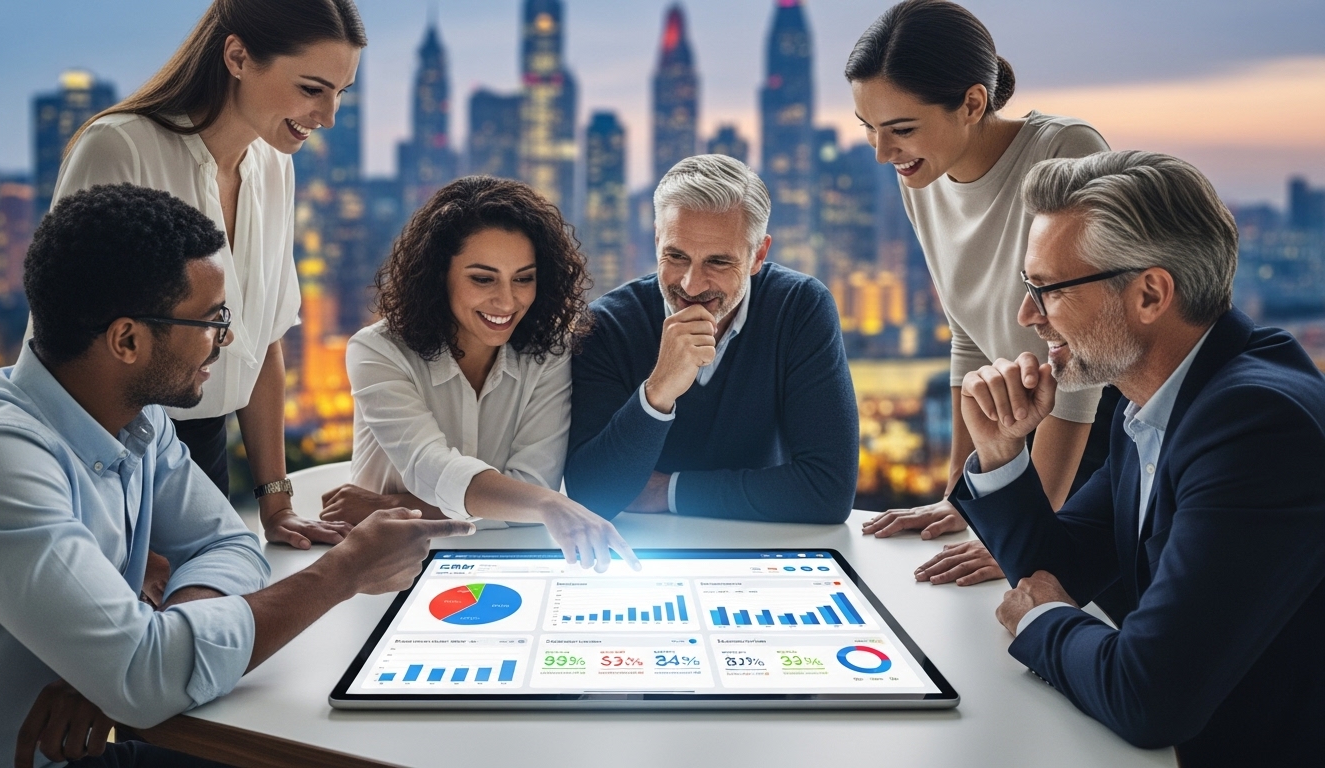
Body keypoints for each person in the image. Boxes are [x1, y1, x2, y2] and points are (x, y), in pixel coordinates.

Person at [0, 185, 475, 768]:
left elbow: (226, 543)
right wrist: (345, 571)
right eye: (211, 321)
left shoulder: (137, 420)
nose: (224, 340)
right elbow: (143, 674)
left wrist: (127, 656)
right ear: (127, 340)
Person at [951, 151, 1325, 765]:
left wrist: (1042, 622)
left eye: (1047, 290)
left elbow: (1150, 696)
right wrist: (1000, 450)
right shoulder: (1157, 393)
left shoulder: (1255, 426)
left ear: (1150, 294)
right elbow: (1056, 571)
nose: (1027, 315)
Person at [47, 0, 367, 549]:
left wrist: (276, 503)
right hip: (106, 460)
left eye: (340, 93)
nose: (328, 115)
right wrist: (121, 521)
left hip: (204, 455)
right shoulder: (120, 148)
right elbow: (69, 348)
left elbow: (264, 341)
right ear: (237, 57)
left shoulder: (275, 164)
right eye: (312, 89)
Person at [846, 0, 1119, 592]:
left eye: (901, 129)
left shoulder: (1065, 150)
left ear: (972, 103)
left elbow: (1085, 356)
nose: (881, 152)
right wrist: (961, 495)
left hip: (1098, 432)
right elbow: (968, 335)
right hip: (1017, 424)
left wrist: (1027, 528)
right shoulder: (922, 174)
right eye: (868, 127)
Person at [319, 176, 639, 572]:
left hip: (501, 561)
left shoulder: (548, 354)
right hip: (382, 565)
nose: (507, 300)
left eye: (523, 278)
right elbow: (430, 466)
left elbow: (531, 490)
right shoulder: (377, 351)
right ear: (439, 275)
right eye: (483, 279)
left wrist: (388, 506)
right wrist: (542, 504)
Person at [565, 154, 859, 522]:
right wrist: (658, 392)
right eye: (676, 255)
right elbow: (591, 495)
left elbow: (829, 491)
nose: (691, 285)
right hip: (641, 547)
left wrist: (668, 491)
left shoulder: (799, 307)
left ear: (758, 255)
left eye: (718, 262)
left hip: (764, 545)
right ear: (657, 240)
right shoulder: (607, 325)